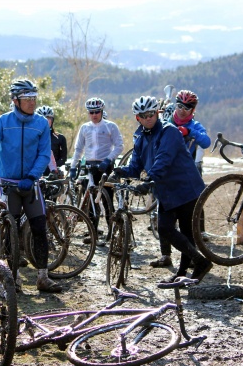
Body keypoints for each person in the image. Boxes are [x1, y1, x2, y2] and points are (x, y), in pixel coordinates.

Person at [112, 96, 213, 283]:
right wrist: (118, 170)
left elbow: (163, 160)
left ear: (157, 113)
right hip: (166, 190)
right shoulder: (141, 137)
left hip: (185, 187)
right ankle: (193, 267)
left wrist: (149, 180)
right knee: (165, 228)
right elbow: (135, 166)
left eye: (151, 114)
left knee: (184, 231)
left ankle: (188, 270)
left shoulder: (169, 131)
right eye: (144, 115)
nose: (148, 118)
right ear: (138, 118)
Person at [0, 79, 62, 293]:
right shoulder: (3, 122)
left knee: (39, 229)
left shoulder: (41, 124)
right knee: (11, 231)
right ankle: (13, 276)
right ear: (15, 100)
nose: (32, 103)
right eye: (27, 99)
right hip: (8, 185)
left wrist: (33, 175)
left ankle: (43, 277)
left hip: (31, 186)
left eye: (34, 98)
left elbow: (45, 153)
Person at [152, 89, 211, 268]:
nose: (183, 110)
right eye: (180, 106)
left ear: (193, 110)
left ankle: (191, 256)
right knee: (162, 214)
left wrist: (190, 132)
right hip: (166, 174)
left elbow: (206, 141)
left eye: (188, 107)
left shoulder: (195, 125)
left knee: (188, 219)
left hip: (186, 175)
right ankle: (165, 255)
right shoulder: (166, 121)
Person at [69, 97, 124, 242]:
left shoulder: (110, 126)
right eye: (91, 112)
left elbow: (119, 146)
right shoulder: (85, 128)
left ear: (102, 111)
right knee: (92, 202)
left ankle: (112, 234)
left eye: (97, 112)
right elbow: (78, 149)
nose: (94, 115)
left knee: (107, 202)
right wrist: (73, 167)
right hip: (90, 167)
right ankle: (93, 234)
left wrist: (109, 159)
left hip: (106, 165)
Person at [36, 105, 68, 176]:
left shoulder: (60, 138)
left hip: (54, 174)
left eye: (48, 118)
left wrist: (55, 170)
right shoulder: (32, 137)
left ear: (52, 120)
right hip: (35, 173)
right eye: (42, 118)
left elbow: (63, 159)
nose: (45, 120)